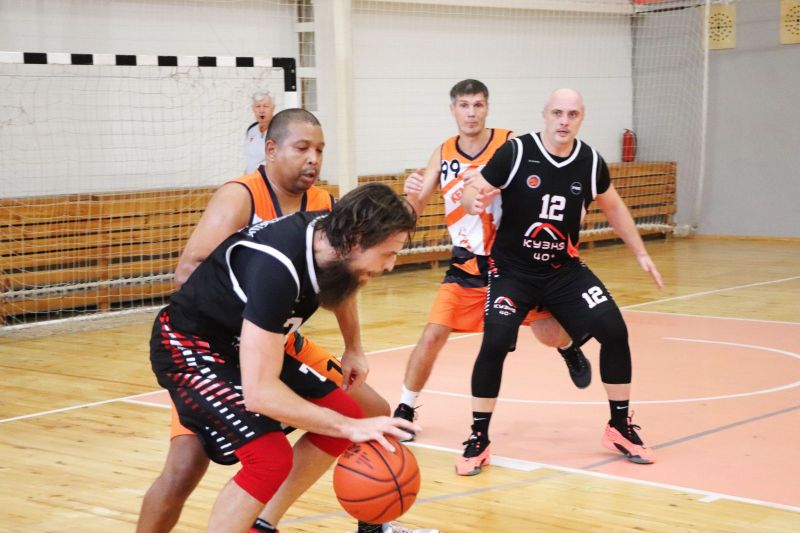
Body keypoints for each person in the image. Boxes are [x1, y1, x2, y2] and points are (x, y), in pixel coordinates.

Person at [139, 110, 422, 533]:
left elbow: (340, 287)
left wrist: (354, 352)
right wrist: (352, 427)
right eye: (389, 254)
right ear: (358, 240)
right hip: (191, 347)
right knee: (266, 458)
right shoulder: (275, 265)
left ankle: (260, 524)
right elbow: (260, 393)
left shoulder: (328, 232)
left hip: (247, 339)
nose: (390, 266)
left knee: (344, 411)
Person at [457, 88, 664, 475]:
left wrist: (640, 252)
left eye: (572, 114)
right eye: (557, 113)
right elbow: (472, 189)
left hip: (563, 270)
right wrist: (474, 202)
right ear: (545, 115)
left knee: (614, 331)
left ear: (581, 118)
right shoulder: (517, 152)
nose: (564, 121)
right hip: (513, 271)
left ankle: (619, 427)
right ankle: (478, 437)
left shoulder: (590, 162)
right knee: (496, 342)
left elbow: (614, 206)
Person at [392, 79, 592, 438]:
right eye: (464, 105)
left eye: (478, 105)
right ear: (453, 109)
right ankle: (405, 407)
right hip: (467, 263)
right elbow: (414, 208)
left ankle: (569, 347)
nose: (471, 113)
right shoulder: (443, 152)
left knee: (548, 333)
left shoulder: (510, 144)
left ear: (487, 108)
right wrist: (410, 192)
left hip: (514, 262)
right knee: (433, 334)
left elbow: (542, 183)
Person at [244, 91, 276, 172]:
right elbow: (250, 159)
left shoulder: (279, 129)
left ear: (273, 108)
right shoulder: (251, 130)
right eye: (258, 106)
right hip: (251, 177)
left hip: (268, 178)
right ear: (253, 109)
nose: (261, 110)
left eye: (265, 106)